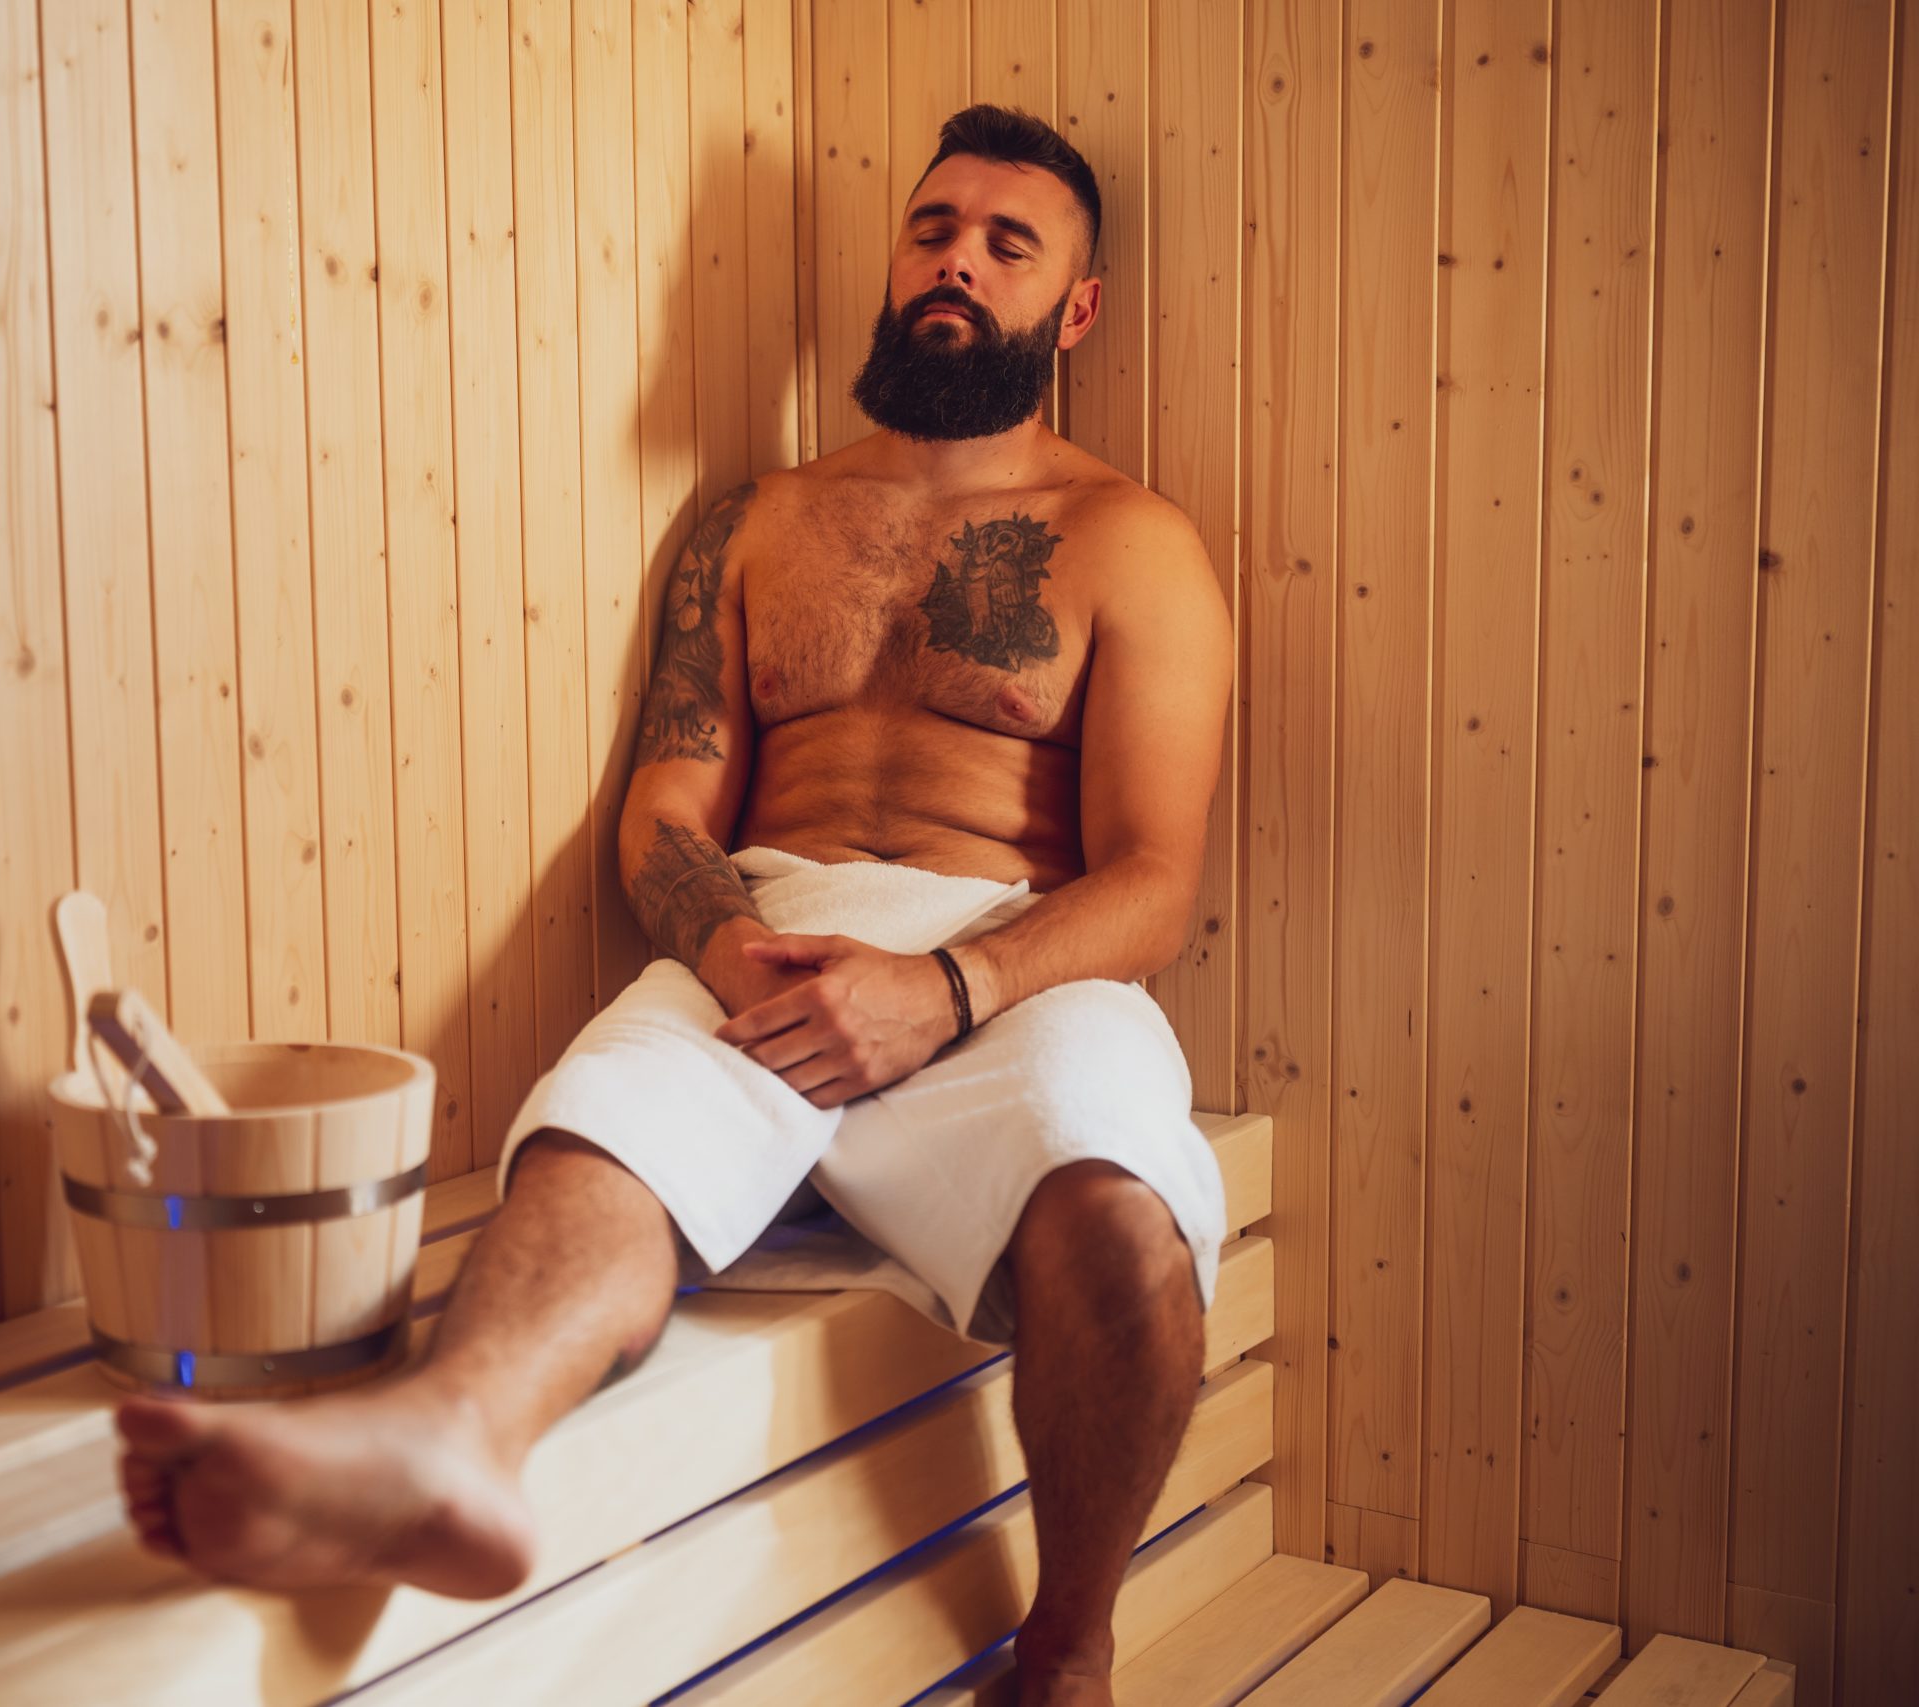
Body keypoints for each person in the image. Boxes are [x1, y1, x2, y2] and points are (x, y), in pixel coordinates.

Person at [115, 103, 1235, 1707]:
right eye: (933, 228)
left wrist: (946, 991)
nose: (957, 263)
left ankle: (1065, 1652)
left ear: (1077, 308)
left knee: (1122, 1217)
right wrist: (729, 948)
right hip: (759, 935)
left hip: (1011, 965)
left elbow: (1152, 884)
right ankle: (446, 1444)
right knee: (598, 1130)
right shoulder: (758, 521)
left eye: (1009, 244)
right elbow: (666, 807)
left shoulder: (1132, 542)